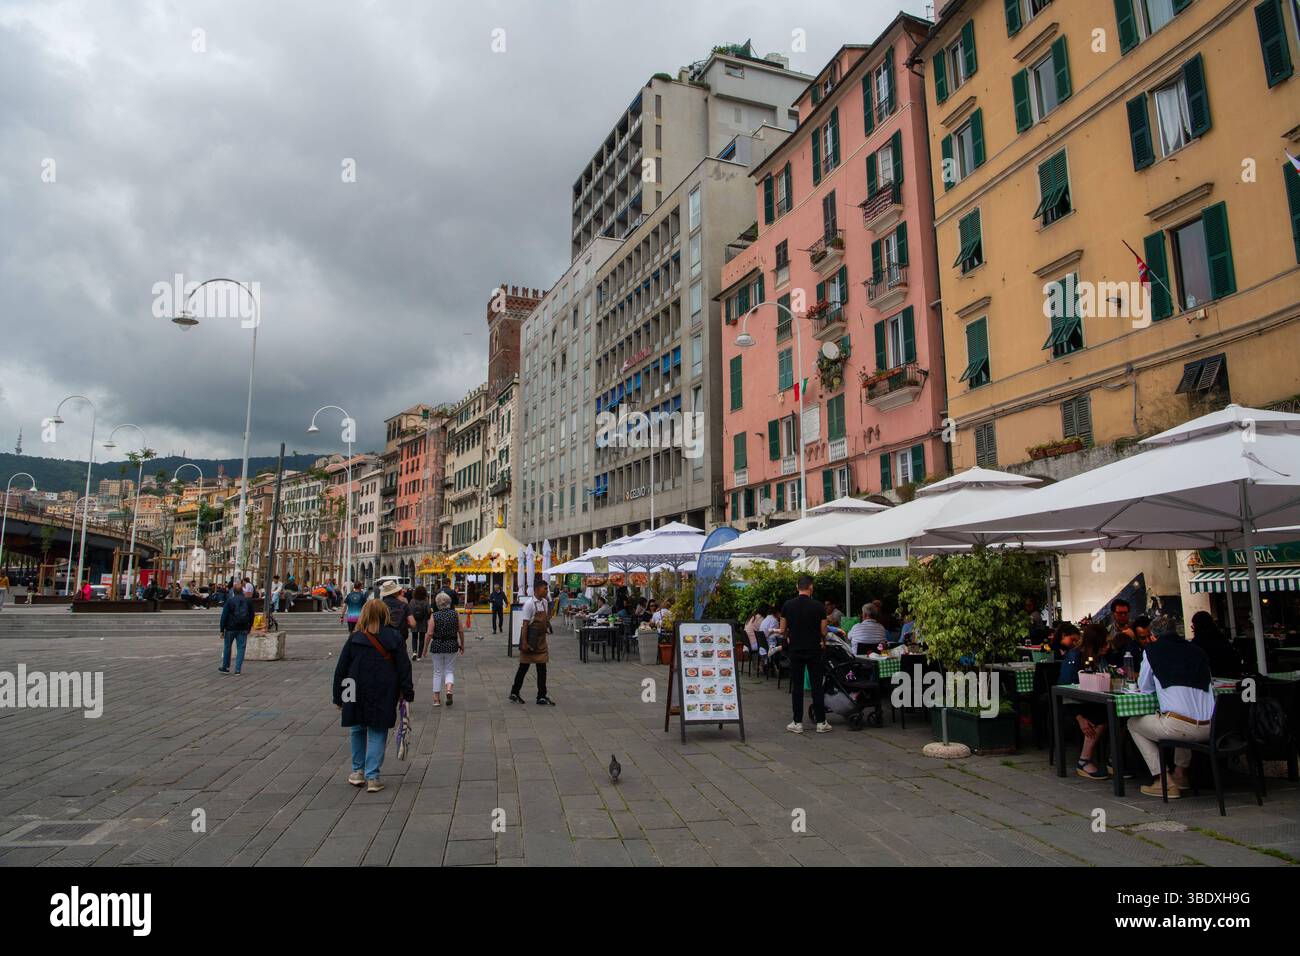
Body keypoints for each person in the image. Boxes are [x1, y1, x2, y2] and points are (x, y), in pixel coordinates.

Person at [331, 597, 414, 793]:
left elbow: (341, 669)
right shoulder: (394, 637)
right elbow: (404, 668)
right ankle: (373, 776)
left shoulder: (355, 638)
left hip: (354, 687)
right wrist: (407, 692)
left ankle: (357, 771)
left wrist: (338, 696)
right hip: (384, 688)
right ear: (385, 614)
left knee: (357, 728)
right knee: (378, 730)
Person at [1127, 626, 1215, 798]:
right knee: (1185, 716)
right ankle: (1181, 773)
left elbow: (1145, 688)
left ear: (1153, 636)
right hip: (1211, 727)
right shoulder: (1198, 651)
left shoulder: (1153, 651)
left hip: (1179, 727)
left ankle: (1163, 780)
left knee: (1132, 723)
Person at [1058, 622, 1110, 779]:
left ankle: (1113, 759)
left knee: (1120, 716)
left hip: (1095, 701)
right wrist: (1079, 717)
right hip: (1074, 705)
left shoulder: (1100, 658)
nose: (1108, 646)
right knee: (1101, 716)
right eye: (1105, 642)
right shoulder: (1074, 657)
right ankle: (1084, 760)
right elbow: (1064, 690)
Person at [779, 576, 830, 735]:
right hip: (814, 650)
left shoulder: (788, 605)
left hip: (795, 650)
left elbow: (782, 630)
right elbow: (823, 631)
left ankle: (797, 722)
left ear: (797, 587)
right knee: (817, 686)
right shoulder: (819, 606)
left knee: (798, 686)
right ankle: (821, 722)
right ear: (811, 587)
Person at [510, 578, 556, 705]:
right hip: (530, 640)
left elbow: (546, 618)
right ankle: (514, 692)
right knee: (523, 667)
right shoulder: (529, 604)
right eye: (545, 588)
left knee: (542, 668)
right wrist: (524, 642)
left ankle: (541, 696)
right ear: (537, 589)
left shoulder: (545, 602)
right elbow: (524, 625)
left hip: (541, 641)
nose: (547, 591)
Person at [427, 590, 464, 706]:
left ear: (437, 603)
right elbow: (461, 630)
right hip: (451, 644)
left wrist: (424, 648)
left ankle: (436, 699)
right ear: (449, 602)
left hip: (437, 645)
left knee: (437, 672)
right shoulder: (455, 613)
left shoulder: (435, 615)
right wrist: (462, 644)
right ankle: (448, 689)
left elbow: (429, 633)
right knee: (449, 670)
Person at [1189, 610, 1243, 678]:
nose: (1192, 629)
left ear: (1198, 626)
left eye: (1193, 626)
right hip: (1231, 677)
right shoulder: (1222, 638)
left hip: (1211, 680)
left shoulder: (1197, 644)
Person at [219, 582, 254, 675]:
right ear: (242, 590)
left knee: (227, 647)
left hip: (230, 628)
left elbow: (224, 616)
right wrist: (249, 627)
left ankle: (225, 667)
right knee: (241, 648)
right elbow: (252, 615)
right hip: (243, 628)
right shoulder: (248, 601)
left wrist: (222, 629)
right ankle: (238, 669)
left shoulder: (230, 601)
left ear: (233, 591)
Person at [380, 580, 408, 649]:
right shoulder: (403, 605)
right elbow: (413, 623)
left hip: (384, 637)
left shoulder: (380, 605)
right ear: (396, 591)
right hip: (401, 636)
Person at [407, 585, 432, 660]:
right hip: (423, 621)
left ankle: (414, 652)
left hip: (414, 621)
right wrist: (427, 618)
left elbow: (409, 611)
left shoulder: (412, 601)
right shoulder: (425, 601)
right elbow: (428, 611)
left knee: (414, 637)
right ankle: (419, 656)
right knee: (421, 638)